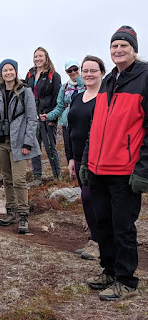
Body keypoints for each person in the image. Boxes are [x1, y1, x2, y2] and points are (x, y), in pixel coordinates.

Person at [80, 26, 148, 301]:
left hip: (125, 171)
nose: (118, 50)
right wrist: (86, 161)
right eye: (114, 46)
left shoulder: (144, 79)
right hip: (98, 168)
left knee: (122, 227)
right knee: (103, 224)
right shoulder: (108, 80)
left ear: (134, 49)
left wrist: (143, 170)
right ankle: (108, 270)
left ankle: (126, 280)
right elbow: (95, 125)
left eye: (123, 45)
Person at [0, 59, 40, 234]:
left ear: (16, 72)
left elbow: (32, 119)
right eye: (5, 70)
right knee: (6, 178)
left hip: (19, 142)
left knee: (19, 179)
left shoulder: (25, 92)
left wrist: (28, 142)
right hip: (2, 141)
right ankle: (11, 211)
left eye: (11, 69)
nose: (8, 73)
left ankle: (24, 214)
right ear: (1, 73)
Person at [66, 56, 105, 260]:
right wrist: (71, 158)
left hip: (99, 158)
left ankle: (101, 242)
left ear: (102, 73)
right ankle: (95, 239)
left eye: (93, 70)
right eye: (85, 70)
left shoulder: (106, 98)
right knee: (87, 200)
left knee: (91, 197)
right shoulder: (77, 98)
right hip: (79, 157)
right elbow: (71, 128)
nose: (89, 74)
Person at [25, 47, 61, 187]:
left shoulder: (53, 75)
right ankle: (37, 177)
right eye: (36, 56)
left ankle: (57, 176)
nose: (38, 59)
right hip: (33, 117)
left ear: (46, 57)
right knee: (34, 147)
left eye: (40, 56)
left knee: (50, 147)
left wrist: (53, 118)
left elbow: (58, 98)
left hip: (47, 116)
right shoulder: (30, 74)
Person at [41, 59, 85, 163]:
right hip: (67, 124)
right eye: (70, 70)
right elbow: (59, 107)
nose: (73, 72)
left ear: (80, 69)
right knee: (69, 150)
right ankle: (73, 173)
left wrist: (80, 80)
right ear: (66, 72)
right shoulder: (64, 87)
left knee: (84, 149)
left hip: (83, 123)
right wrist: (48, 116)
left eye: (75, 69)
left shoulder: (86, 85)